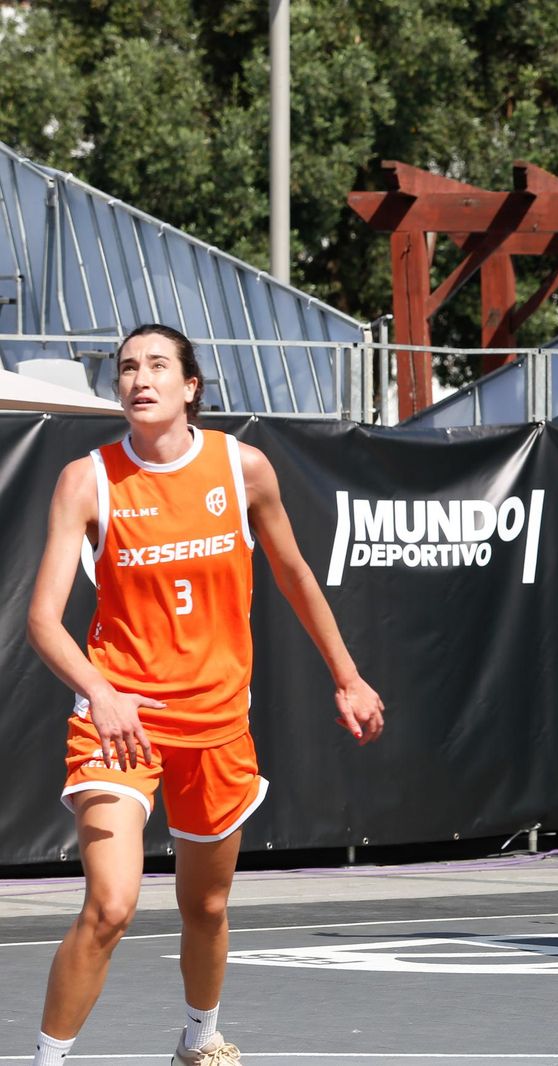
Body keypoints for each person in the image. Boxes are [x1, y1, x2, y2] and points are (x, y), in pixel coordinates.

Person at [26, 324, 385, 1066]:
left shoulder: (241, 468)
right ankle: (46, 1060)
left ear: (191, 386)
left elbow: (293, 576)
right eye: (127, 367)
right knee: (111, 905)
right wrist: (100, 690)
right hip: (118, 723)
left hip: (217, 722)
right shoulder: (86, 480)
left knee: (208, 905)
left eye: (158, 365)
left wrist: (346, 675)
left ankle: (200, 1037)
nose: (139, 378)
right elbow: (41, 620)